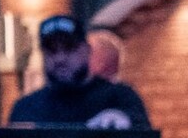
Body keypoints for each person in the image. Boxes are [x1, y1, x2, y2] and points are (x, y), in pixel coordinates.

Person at [9, 13, 151, 128]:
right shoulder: (26, 108)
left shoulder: (119, 98)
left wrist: (123, 120)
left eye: (69, 48)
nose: (60, 58)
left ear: (87, 50)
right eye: (51, 50)